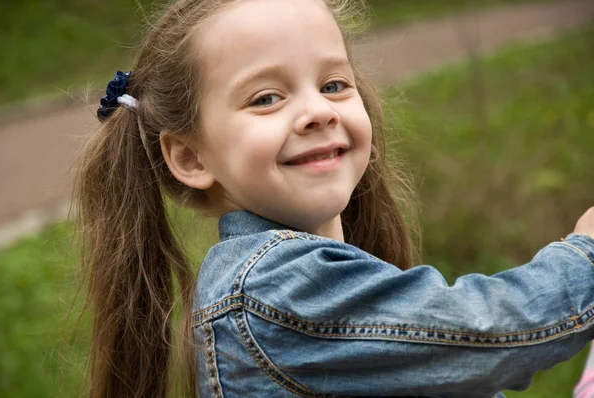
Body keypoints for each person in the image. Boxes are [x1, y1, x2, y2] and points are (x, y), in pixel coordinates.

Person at [71, 0, 594, 397]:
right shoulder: (273, 290)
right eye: (267, 97)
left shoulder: (321, 280)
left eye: (334, 84)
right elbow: (487, 334)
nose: (318, 110)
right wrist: (587, 255)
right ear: (191, 158)